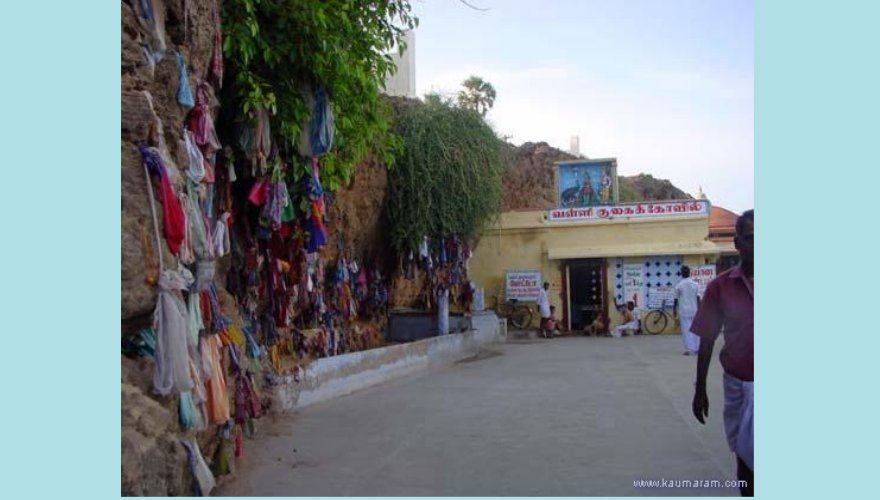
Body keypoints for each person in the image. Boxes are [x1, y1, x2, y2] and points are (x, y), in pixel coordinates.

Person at [691, 209, 754, 496]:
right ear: (738, 243)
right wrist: (700, 389)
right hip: (740, 384)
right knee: (745, 453)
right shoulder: (721, 287)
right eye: (752, 238)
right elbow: (707, 339)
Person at [673, 266, 702, 355]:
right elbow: (698, 298)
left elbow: (676, 300)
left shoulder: (679, 285)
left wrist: (674, 310)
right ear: (689, 273)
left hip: (684, 311)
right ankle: (697, 348)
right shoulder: (695, 284)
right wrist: (700, 310)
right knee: (696, 329)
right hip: (695, 310)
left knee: (686, 330)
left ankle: (689, 349)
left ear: (681, 273)